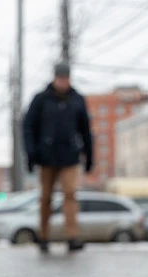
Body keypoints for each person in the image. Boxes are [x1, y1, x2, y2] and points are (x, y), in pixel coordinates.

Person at [23, 62, 93, 254]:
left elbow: (86, 130)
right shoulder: (41, 99)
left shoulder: (77, 100)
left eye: (66, 78)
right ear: (54, 78)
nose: (63, 81)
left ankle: (72, 236)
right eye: (60, 78)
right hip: (46, 157)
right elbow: (28, 127)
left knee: (70, 195)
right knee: (46, 197)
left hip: (70, 156)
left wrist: (89, 156)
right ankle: (43, 236)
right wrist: (31, 153)